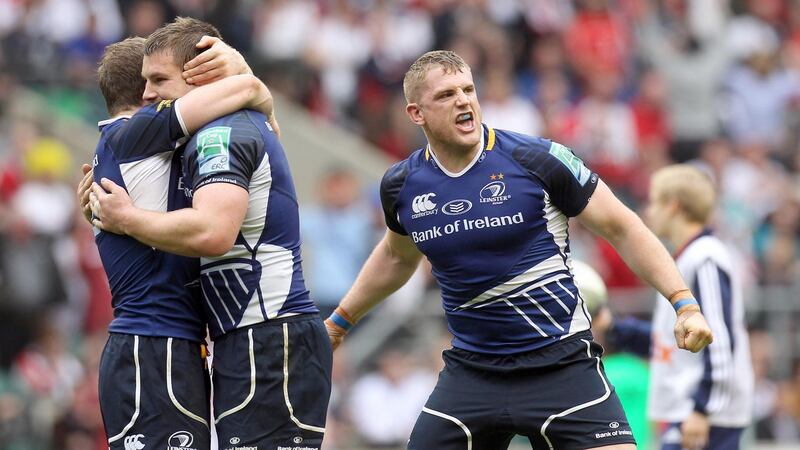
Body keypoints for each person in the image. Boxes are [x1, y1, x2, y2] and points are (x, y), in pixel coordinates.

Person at [323, 50, 713, 450]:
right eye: (446, 95)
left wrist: (684, 304)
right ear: (416, 113)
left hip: (560, 365)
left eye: (468, 90)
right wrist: (338, 323)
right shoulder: (402, 185)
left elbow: (623, 227)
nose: (463, 100)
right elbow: (395, 257)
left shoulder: (538, 159)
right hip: (473, 374)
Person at [89, 17, 332, 450]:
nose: (150, 93)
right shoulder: (134, 138)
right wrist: (251, 85)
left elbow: (213, 230)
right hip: (165, 344)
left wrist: (247, 80)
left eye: (159, 80)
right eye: (146, 82)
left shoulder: (215, 135)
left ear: (199, 75)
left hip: (255, 337)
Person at [597, 165, 753, 450]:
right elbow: (670, 344)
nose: (648, 210)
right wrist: (615, 328)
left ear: (673, 206)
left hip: (704, 416)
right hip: (689, 411)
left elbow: (719, 338)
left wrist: (702, 409)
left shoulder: (705, 257)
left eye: (654, 202)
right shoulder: (682, 260)